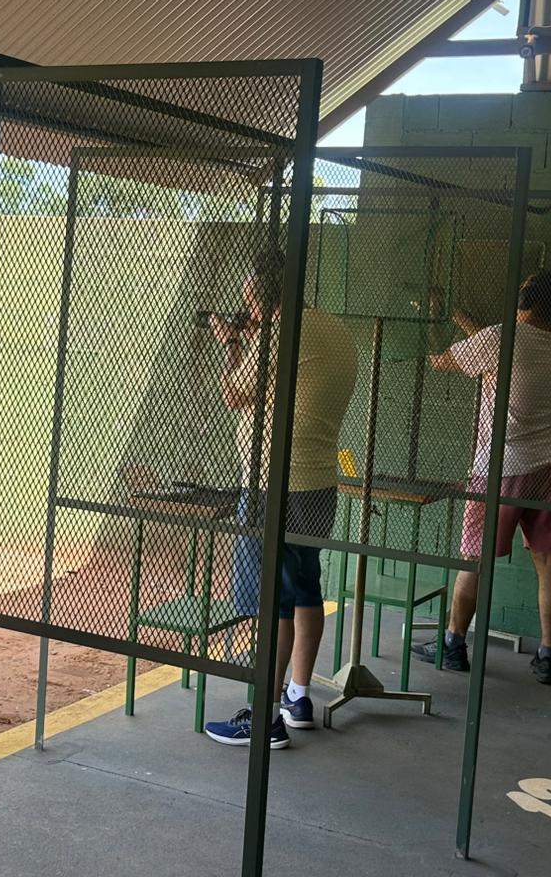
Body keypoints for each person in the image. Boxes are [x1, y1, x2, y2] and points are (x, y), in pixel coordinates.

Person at [203, 248, 357, 750]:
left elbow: (234, 394)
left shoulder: (277, 333)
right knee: (306, 589)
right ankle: (298, 696)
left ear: (258, 291)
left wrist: (232, 343)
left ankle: (265, 719)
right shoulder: (333, 329)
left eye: (249, 291)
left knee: (271, 604)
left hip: (274, 486)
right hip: (319, 484)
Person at [411, 270, 551, 686]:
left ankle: (453, 644)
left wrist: (434, 321)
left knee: (474, 559)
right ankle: (548, 656)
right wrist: (459, 316)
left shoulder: (502, 338)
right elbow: (499, 347)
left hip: (501, 467)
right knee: (549, 560)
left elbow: (443, 360)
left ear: (526, 298)